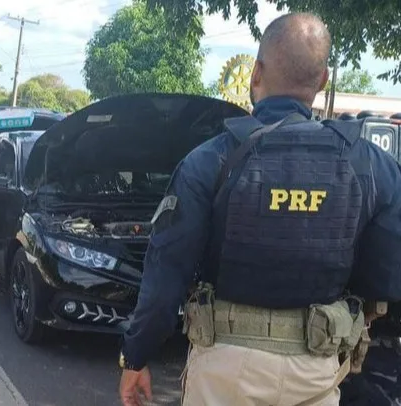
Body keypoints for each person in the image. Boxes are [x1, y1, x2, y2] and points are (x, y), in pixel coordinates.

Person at [118, 12, 401, 406]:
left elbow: (166, 275)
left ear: (255, 73)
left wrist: (136, 356)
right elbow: (388, 279)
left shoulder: (209, 160)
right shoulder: (372, 166)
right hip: (317, 372)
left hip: (225, 373)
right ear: (322, 82)